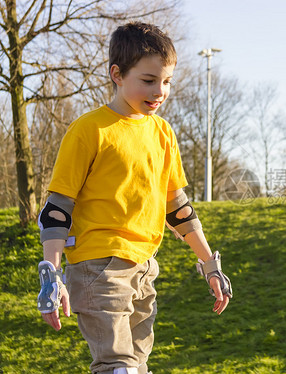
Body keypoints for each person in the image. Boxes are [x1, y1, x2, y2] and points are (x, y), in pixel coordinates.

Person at [35, 22, 232, 374]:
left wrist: (210, 265)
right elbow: (57, 210)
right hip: (98, 268)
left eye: (166, 81)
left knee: (138, 368)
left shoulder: (162, 133)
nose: (160, 91)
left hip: (144, 269)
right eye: (148, 80)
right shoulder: (90, 130)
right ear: (117, 74)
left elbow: (178, 209)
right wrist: (52, 274)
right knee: (118, 367)